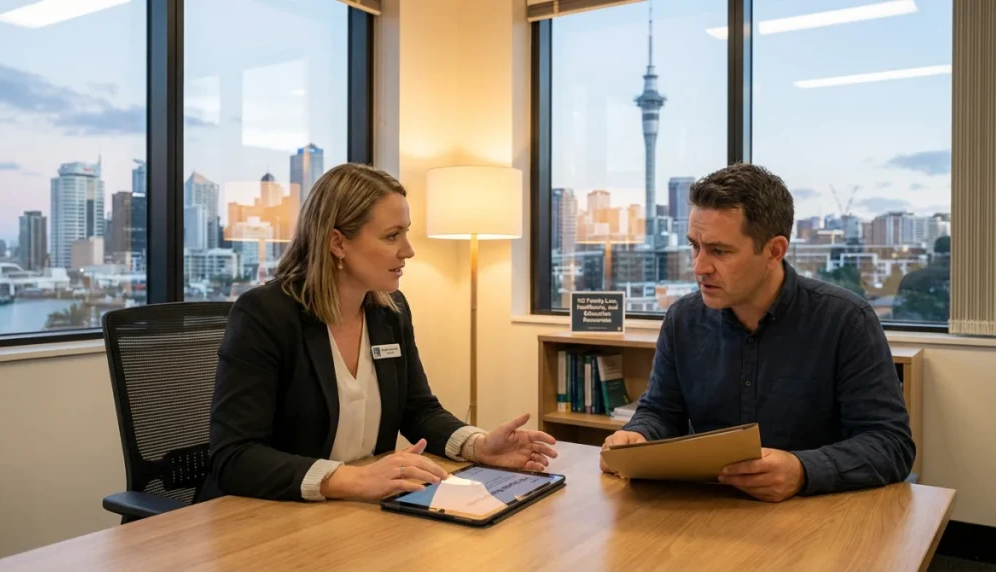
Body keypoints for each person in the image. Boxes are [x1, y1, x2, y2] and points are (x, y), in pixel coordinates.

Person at [203, 163, 557, 503]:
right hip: (265, 518)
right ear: (337, 243)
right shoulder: (265, 315)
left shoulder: (390, 310)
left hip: (354, 513)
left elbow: (419, 411)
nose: (409, 250)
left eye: (406, 232)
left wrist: (477, 446)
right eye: (392, 236)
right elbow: (236, 456)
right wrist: (352, 480)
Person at [601, 163, 915, 503]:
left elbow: (890, 444)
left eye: (719, 251)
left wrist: (803, 470)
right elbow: (661, 412)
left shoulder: (845, 320)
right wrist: (637, 435)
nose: (699, 267)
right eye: (695, 246)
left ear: (774, 251)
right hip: (708, 512)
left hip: (817, 519)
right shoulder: (683, 319)